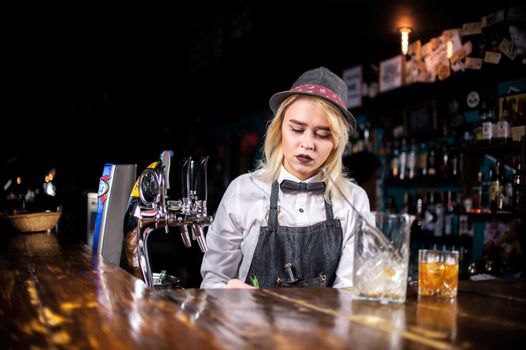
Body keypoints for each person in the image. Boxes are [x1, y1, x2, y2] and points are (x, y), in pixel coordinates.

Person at [200, 67, 372, 288]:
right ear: (280, 129)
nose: (308, 144)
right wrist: (228, 293)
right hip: (251, 321)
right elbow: (214, 280)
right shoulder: (242, 190)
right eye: (297, 129)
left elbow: (350, 290)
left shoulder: (354, 200)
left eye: (322, 134)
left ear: (336, 142)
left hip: (324, 322)